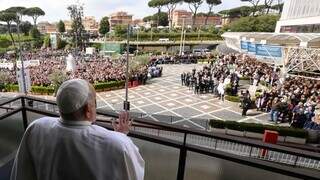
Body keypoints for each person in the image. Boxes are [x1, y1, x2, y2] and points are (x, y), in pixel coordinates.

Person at [11, 79, 145, 180]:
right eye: (94, 103)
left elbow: (22, 172)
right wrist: (121, 137)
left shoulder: (37, 127)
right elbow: (134, 174)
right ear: (87, 109)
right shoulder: (119, 145)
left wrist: (118, 138)